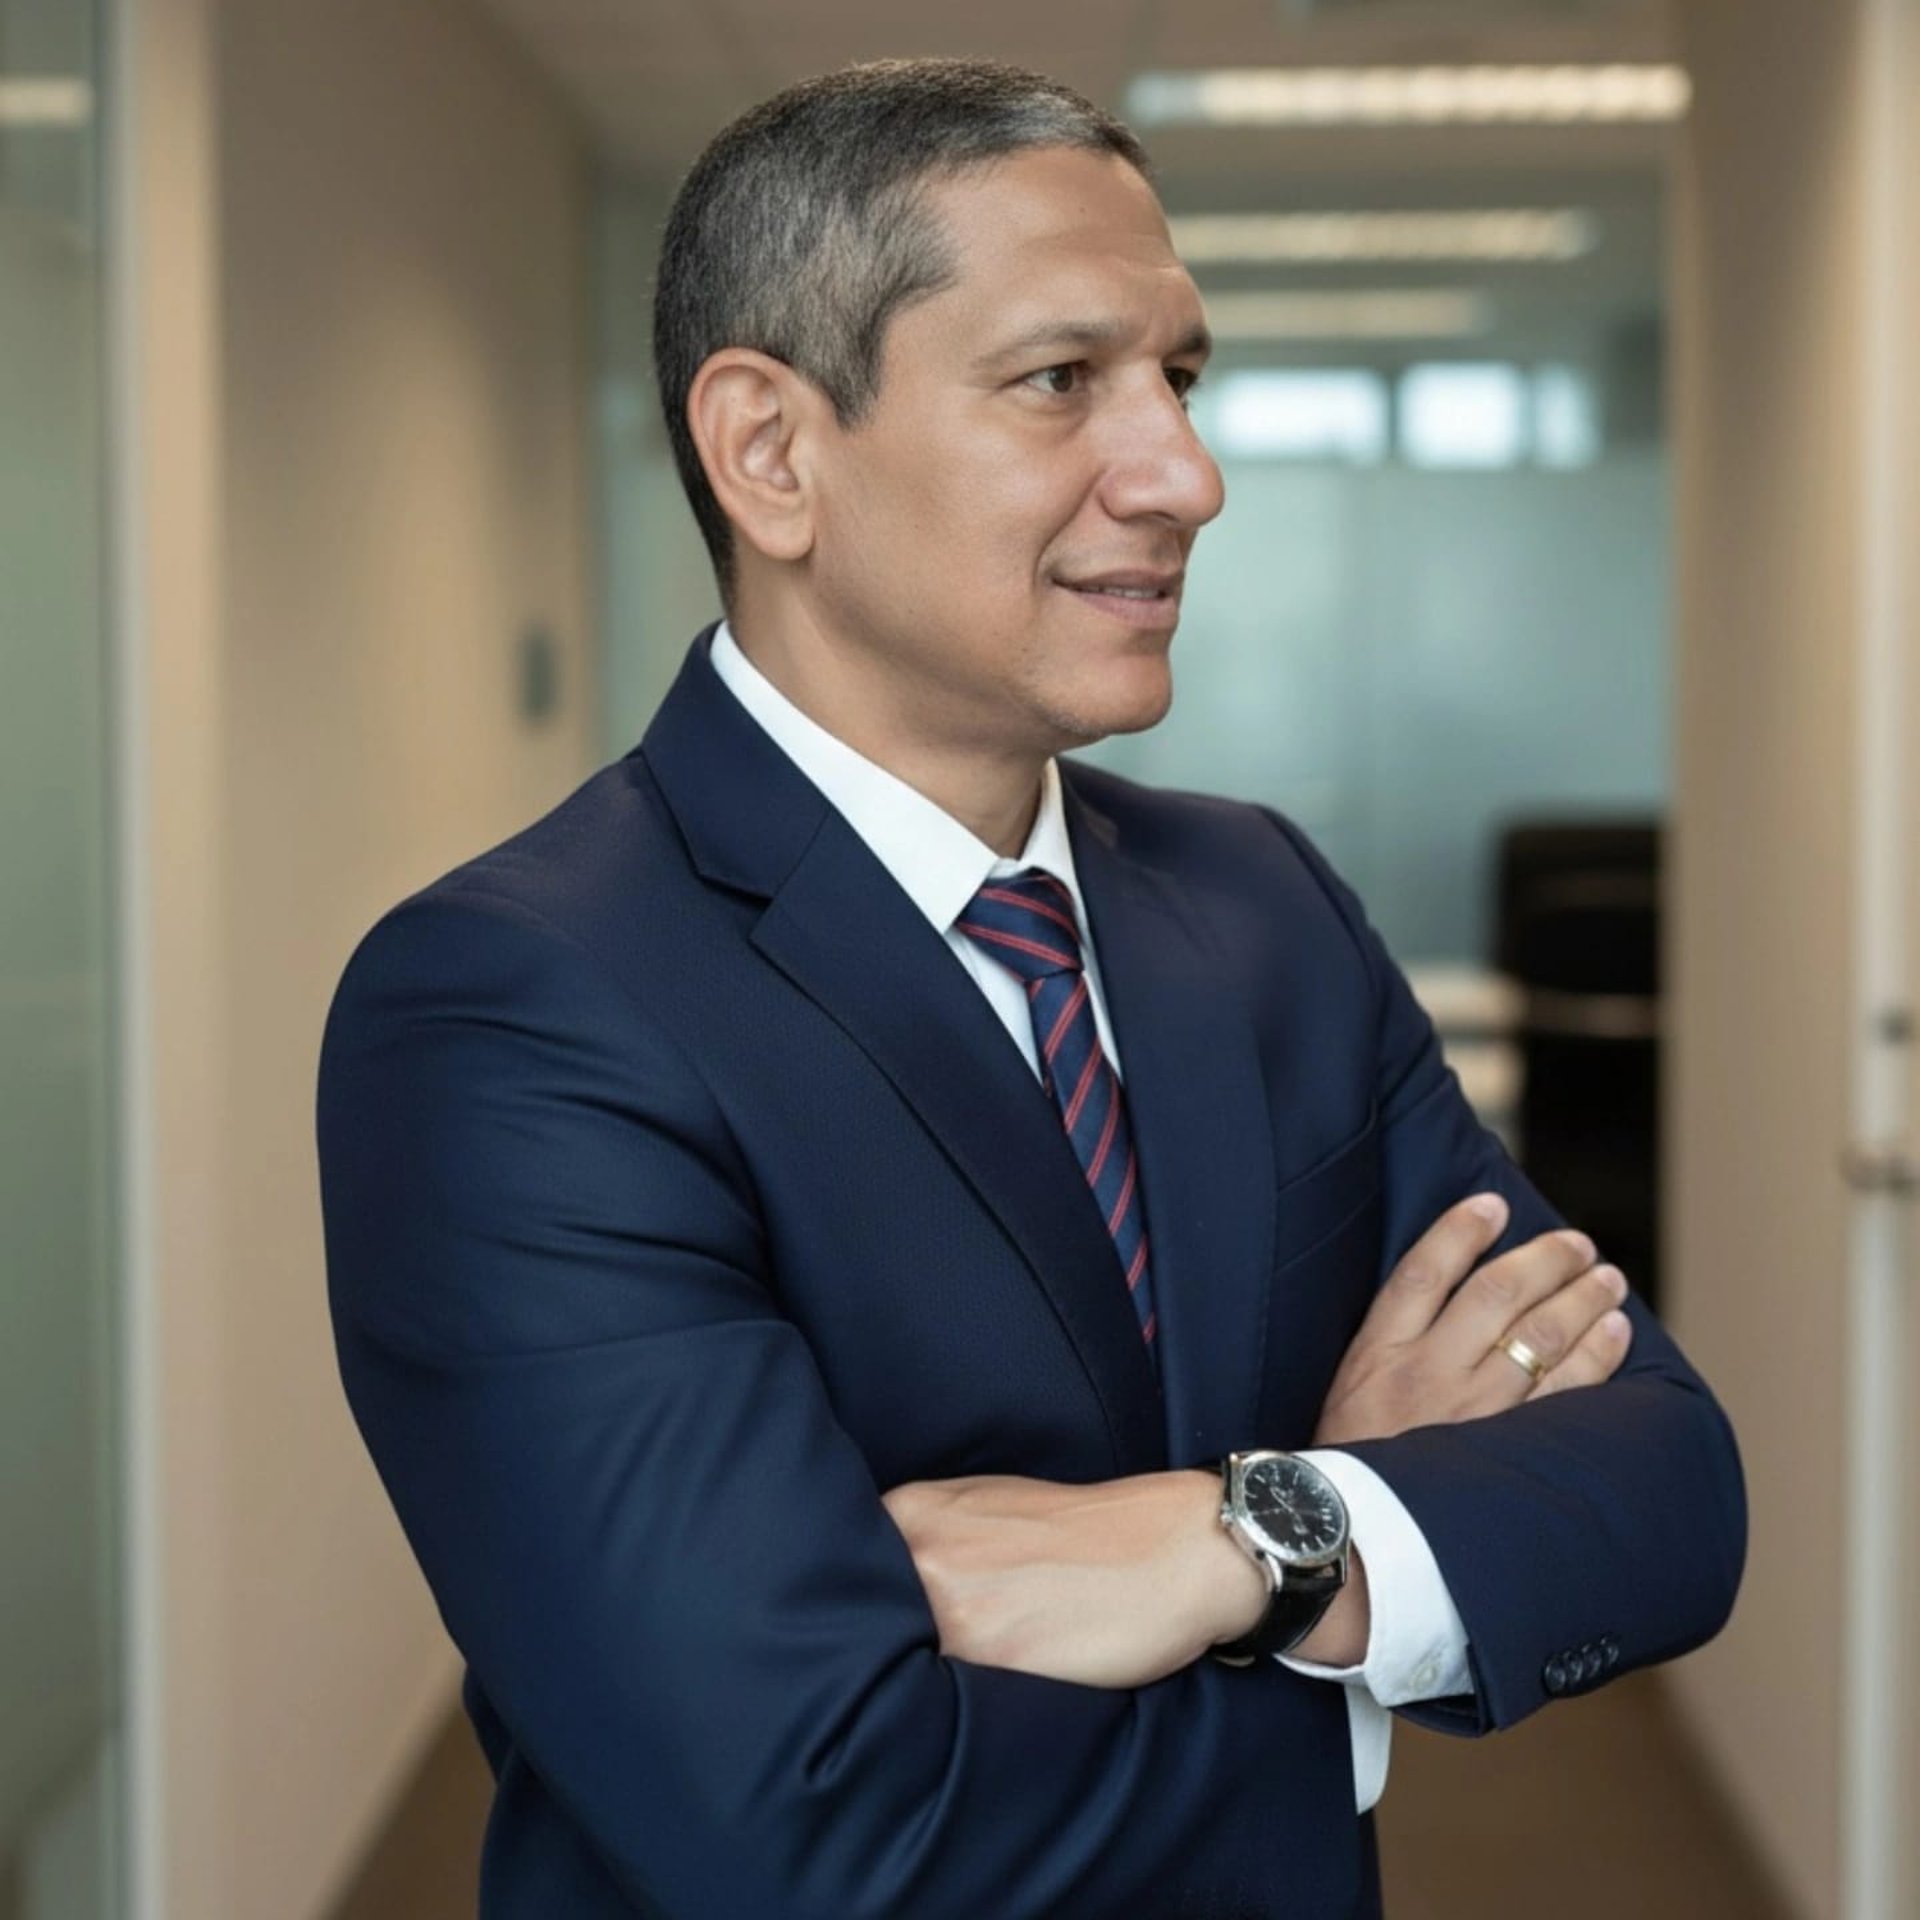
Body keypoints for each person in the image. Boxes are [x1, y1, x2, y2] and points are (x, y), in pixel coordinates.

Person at [316, 58, 1745, 1919]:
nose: (1187, 474)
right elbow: (827, 1825)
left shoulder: (1259, 901)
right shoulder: (517, 1008)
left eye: (1182, 379)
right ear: (769, 452)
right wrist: (1367, 1543)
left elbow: (1668, 1485)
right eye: (1063, 380)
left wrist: (1246, 1540)